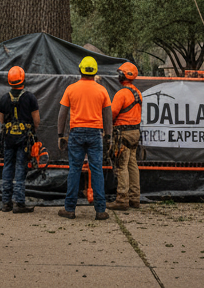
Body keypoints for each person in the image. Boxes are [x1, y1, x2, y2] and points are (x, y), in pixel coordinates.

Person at [57, 55, 113, 220]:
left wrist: (61, 135)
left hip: (76, 132)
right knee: (96, 170)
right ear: (95, 71)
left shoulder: (71, 89)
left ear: (80, 69)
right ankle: (100, 210)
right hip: (96, 133)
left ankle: (70, 209)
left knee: (74, 170)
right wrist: (108, 136)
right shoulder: (102, 90)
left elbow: (62, 114)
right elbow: (108, 115)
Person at [0, 65, 41, 214]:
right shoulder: (30, 98)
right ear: (23, 79)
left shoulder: (4, 98)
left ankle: (5, 203)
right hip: (24, 140)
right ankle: (19, 203)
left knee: (8, 167)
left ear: (9, 81)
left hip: (9, 139)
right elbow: (36, 120)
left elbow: (1, 120)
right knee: (20, 169)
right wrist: (31, 132)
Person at [107, 61, 143, 211]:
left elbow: (112, 114)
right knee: (132, 164)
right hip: (135, 132)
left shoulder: (121, 93)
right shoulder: (137, 93)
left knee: (122, 166)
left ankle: (122, 199)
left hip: (123, 133)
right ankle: (135, 198)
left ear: (123, 75)